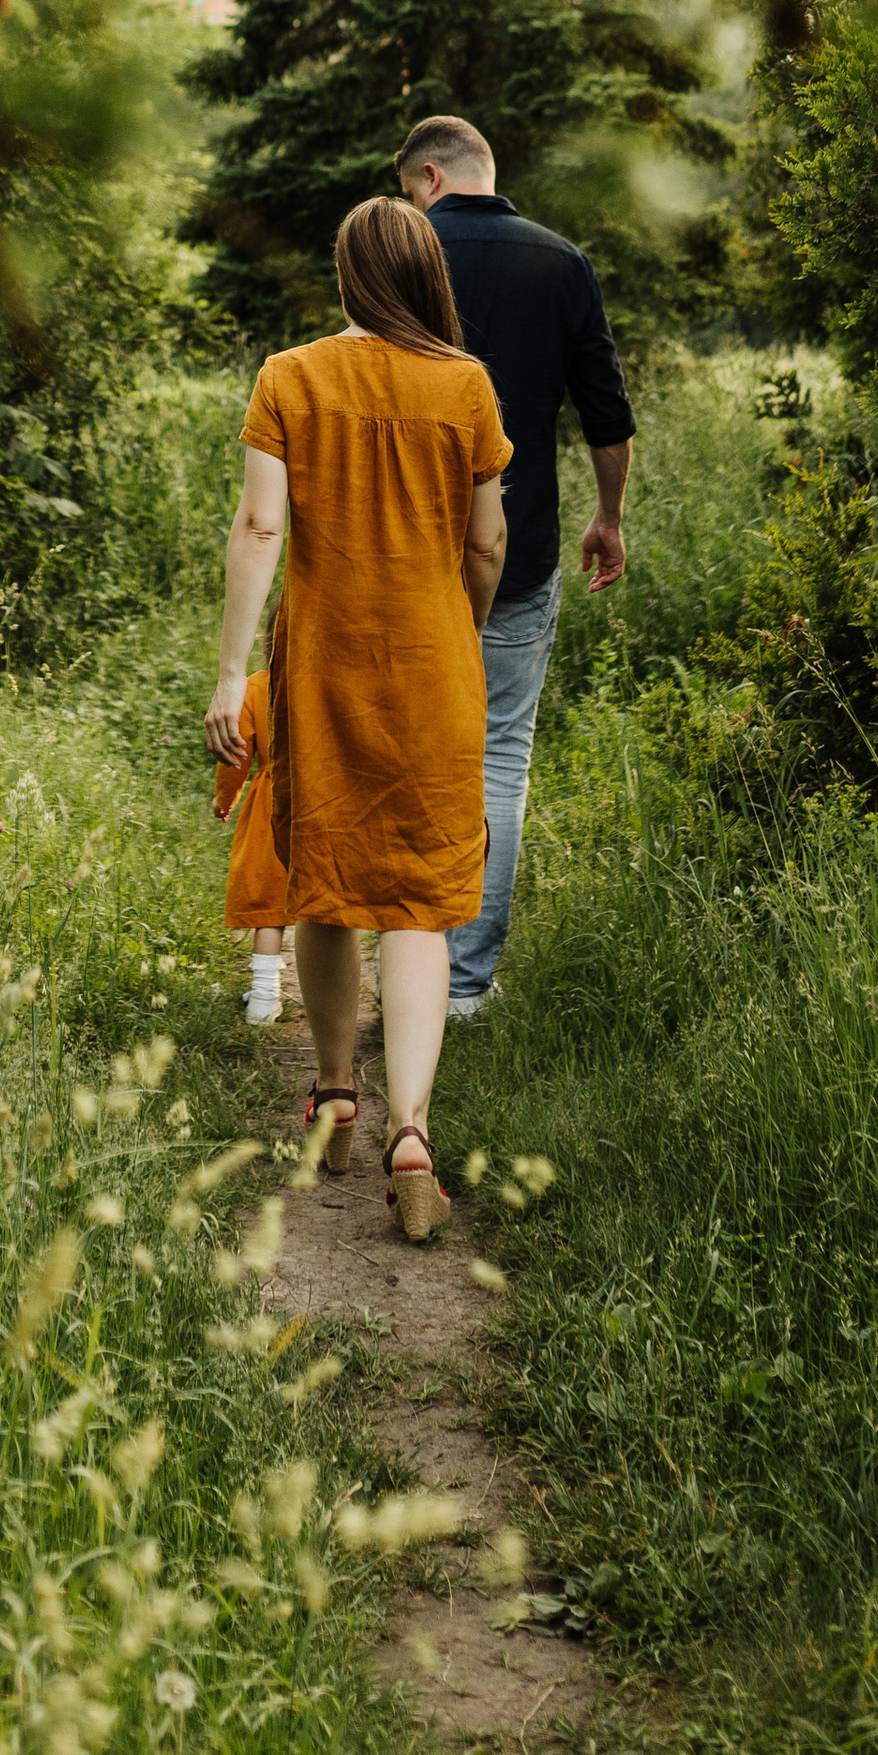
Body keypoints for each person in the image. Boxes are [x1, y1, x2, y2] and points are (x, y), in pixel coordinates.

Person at [205, 196, 511, 1242]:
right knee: (421, 903)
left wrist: (228, 673)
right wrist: (455, 631)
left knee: (321, 878)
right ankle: (412, 1130)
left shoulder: (289, 378)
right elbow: (486, 546)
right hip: (433, 666)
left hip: (322, 666)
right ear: (427, 274)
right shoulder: (464, 384)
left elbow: (258, 526)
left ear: (344, 277)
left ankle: (334, 1093)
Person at [396, 113, 633, 1018]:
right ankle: (462, 987)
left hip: (405, 550)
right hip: (522, 548)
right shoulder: (560, 261)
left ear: (428, 176)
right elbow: (605, 414)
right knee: (498, 755)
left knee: (410, 752)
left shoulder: (402, 256)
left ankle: (402, 957)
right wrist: (607, 516)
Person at [211, 665, 290, 1023]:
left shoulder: (256, 687)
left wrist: (224, 800)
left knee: (270, 907)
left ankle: (263, 997)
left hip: (273, 806)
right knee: (332, 910)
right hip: (329, 795)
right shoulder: (332, 675)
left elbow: (235, 752)